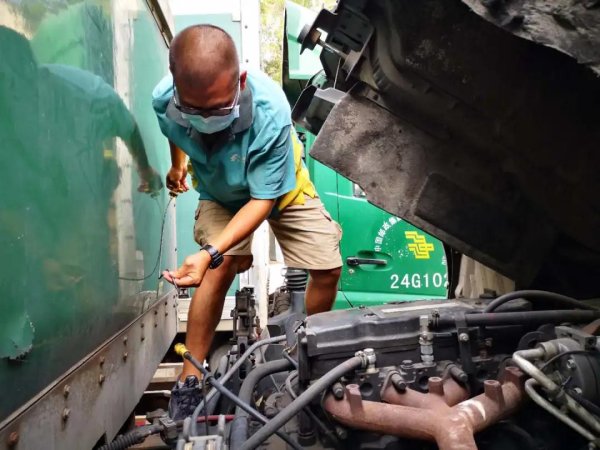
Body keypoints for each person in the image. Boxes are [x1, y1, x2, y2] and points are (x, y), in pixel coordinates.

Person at [152, 24, 343, 419]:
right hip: (221, 190)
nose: (207, 119)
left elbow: (262, 202)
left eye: (219, 109)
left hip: (279, 190)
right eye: (195, 110)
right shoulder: (165, 100)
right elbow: (176, 131)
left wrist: (208, 251)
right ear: (175, 86)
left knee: (327, 266)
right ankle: (190, 381)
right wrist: (177, 166)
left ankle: (308, 358)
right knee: (218, 268)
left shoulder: (272, 111)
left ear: (239, 81)